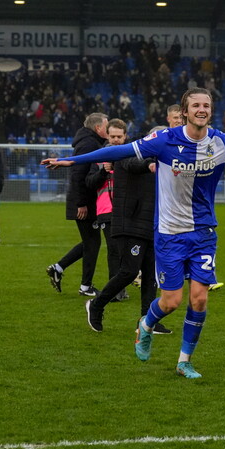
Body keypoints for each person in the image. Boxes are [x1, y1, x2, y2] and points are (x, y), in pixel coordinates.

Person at [44, 88, 225, 379]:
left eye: (206, 105)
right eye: (196, 105)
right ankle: (145, 325)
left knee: (200, 299)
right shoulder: (165, 140)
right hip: (170, 233)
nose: (202, 109)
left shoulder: (220, 142)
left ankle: (184, 361)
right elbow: (120, 151)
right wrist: (73, 161)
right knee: (171, 302)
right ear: (185, 111)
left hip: (204, 231)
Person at [86, 125, 171, 335]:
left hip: (153, 224)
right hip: (129, 223)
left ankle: (147, 321)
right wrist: (151, 165)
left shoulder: (163, 160)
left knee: (151, 275)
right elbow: (135, 164)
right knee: (129, 271)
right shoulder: (129, 153)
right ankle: (96, 305)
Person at [45, 112, 108, 297]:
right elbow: (79, 174)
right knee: (93, 242)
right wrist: (81, 203)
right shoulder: (89, 143)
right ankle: (85, 286)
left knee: (91, 241)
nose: (108, 128)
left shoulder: (89, 142)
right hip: (83, 201)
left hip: (86, 200)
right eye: (106, 126)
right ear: (98, 128)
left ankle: (58, 267)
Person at [85, 118, 128, 301]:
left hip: (127, 209)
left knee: (126, 251)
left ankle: (121, 288)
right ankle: (115, 291)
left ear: (125, 137)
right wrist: (103, 171)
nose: (116, 140)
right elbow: (89, 182)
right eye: (113, 136)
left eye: (119, 136)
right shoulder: (99, 156)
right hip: (106, 210)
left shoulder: (129, 155)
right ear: (107, 136)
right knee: (113, 250)